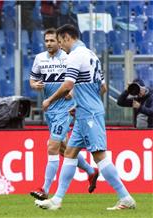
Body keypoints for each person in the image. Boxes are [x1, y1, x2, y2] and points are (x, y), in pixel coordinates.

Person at [35, 24, 136, 210]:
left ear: (66, 38)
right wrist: (79, 104)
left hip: (89, 114)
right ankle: (57, 200)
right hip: (84, 111)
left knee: (100, 157)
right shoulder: (91, 54)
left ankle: (125, 197)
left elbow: (67, 85)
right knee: (70, 153)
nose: (60, 46)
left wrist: (49, 99)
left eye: (59, 41)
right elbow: (103, 88)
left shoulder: (75, 56)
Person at [29, 28, 99, 201]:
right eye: (47, 41)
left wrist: (72, 92)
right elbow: (32, 79)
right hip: (50, 109)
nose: (49, 44)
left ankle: (44, 189)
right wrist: (34, 85)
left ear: (59, 42)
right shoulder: (39, 58)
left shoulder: (69, 58)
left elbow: (77, 79)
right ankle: (91, 171)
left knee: (52, 145)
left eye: (52, 40)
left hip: (65, 108)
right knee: (64, 148)